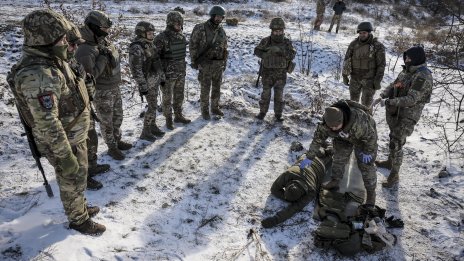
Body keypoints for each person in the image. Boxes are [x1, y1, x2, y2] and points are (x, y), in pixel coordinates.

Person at [10, 9, 105, 235]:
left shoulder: (52, 59)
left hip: (73, 134)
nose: (66, 42)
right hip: (63, 141)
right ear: (45, 39)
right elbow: (48, 125)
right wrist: (65, 156)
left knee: (79, 177)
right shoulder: (38, 74)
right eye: (62, 38)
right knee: (71, 178)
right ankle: (78, 220)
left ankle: (79, 207)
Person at [76, 10, 132, 160]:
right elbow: (89, 77)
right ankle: (111, 147)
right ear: (93, 27)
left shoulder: (101, 41)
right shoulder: (85, 49)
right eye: (104, 29)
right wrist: (102, 58)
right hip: (102, 91)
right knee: (106, 122)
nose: (107, 32)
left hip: (114, 86)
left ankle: (117, 140)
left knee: (117, 118)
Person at [373, 46, 433, 188]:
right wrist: (382, 95)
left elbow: (412, 99)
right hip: (396, 112)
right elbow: (395, 85)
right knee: (393, 136)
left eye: (409, 58)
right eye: (406, 57)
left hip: (408, 115)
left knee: (397, 142)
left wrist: (388, 102)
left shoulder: (422, 76)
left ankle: (394, 174)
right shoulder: (407, 71)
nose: (406, 60)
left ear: (417, 58)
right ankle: (390, 162)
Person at [306, 100, 378, 205]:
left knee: (366, 165)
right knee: (338, 157)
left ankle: (371, 193)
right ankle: (335, 180)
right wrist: (310, 156)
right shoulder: (327, 122)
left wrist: (368, 151)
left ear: (342, 120)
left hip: (363, 139)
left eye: (336, 126)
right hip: (342, 137)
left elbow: (371, 137)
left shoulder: (359, 120)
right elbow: (318, 139)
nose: (333, 128)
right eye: (331, 127)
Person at [67, 22, 109, 190]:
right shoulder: (56, 65)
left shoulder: (70, 61)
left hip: (84, 107)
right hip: (72, 114)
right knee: (78, 147)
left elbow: (86, 79)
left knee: (91, 138)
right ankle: (82, 177)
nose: (74, 47)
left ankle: (91, 166)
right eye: (72, 44)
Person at [261, 150, 332, 228]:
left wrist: (276, 220)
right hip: (308, 158)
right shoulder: (289, 174)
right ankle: (325, 150)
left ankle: (327, 151)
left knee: (329, 157)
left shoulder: (311, 191)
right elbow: (274, 190)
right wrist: (287, 199)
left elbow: (294, 208)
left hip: (320, 167)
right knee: (322, 152)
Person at [190, 5, 228, 120]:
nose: (218, 19)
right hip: (205, 64)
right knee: (205, 88)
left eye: (221, 17)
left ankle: (215, 107)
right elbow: (193, 45)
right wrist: (195, 61)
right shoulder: (200, 28)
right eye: (217, 16)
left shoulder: (221, 30)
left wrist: (224, 62)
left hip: (218, 64)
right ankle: (205, 110)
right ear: (212, 15)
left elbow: (225, 47)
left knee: (217, 88)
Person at [254, 17, 296, 122]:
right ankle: (262, 112)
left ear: (283, 31)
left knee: (279, 95)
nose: (278, 33)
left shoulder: (287, 42)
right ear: (272, 31)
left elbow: (292, 55)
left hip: (281, 74)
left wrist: (280, 51)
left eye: (280, 31)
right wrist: (265, 53)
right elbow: (256, 51)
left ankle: (278, 114)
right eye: (275, 31)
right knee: (265, 94)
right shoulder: (266, 41)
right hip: (267, 73)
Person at [129, 21, 166, 142]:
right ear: (141, 33)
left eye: (152, 33)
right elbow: (136, 69)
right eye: (149, 33)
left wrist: (161, 78)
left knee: (154, 105)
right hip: (147, 83)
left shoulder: (150, 44)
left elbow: (157, 62)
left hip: (154, 81)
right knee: (151, 107)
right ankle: (145, 131)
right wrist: (142, 85)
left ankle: (152, 126)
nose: (152, 35)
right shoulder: (136, 48)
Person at [154, 11, 191, 130]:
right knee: (167, 98)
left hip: (180, 72)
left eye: (180, 23)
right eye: (176, 23)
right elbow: (155, 58)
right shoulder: (161, 38)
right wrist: (160, 74)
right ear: (170, 23)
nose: (179, 25)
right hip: (167, 74)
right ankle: (168, 118)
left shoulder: (181, 36)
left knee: (179, 96)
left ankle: (178, 115)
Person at [342, 22, 386, 108]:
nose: (362, 35)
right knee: (353, 103)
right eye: (360, 33)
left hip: (369, 81)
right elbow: (347, 60)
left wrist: (378, 80)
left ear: (369, 32)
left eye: (364, 33)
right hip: (355, 78)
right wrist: (344, 75)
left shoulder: (377, 46)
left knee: (366, 106)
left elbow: (381, 65)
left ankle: (366, 120)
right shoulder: (353, 44)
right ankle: (354, 120)